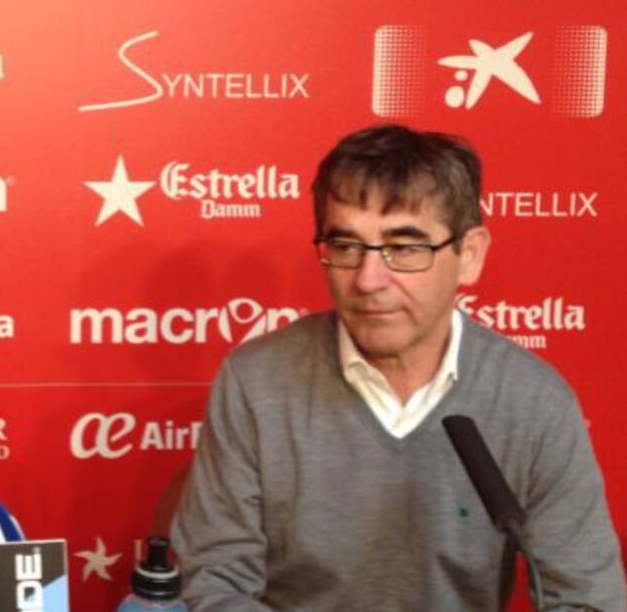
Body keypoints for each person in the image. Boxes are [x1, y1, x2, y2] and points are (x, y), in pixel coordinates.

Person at [172, 124, 625, 611]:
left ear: (469, 256)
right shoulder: (257, 381)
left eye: (405, 248)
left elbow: (587, 599)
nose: (369, 280)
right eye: (346, 246)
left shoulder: (534, 401)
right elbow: (214, 583)